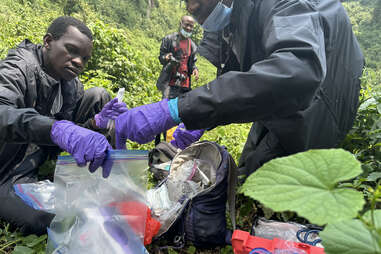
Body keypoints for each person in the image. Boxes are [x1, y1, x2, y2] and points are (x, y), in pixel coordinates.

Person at [115, 0, 364, 181]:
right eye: (184, 2)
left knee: (268, 187)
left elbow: (296, 70)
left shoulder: (284, 3)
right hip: (278, 101)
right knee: (247, 172)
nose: (189, 7)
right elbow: (236, 75)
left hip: (318, 104)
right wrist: (197, 118)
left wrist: (179, 108)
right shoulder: (238, 15)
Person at [0, 16, 126, 235]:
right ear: (48, 41)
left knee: (98, 94)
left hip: (38, 160)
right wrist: (56, 129)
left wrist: (94, 124)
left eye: (85, 59)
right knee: (46, 223)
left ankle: (101, 176)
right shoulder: (20, 67)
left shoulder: (70, 84)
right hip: (6, 169)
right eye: (71, 50)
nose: (78, 62)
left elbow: (62, 140)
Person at [156, 15, 199, 99]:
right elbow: (161, 58)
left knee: (181, 110)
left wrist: (195, 69)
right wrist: (166, 57)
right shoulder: (168, 39)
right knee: (167, 108)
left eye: (191, 26)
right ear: (180, 24)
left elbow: (192, 63)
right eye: (187, 24)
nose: (189, 28)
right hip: (169, 83)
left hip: (185, 85)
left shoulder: (192, 45)